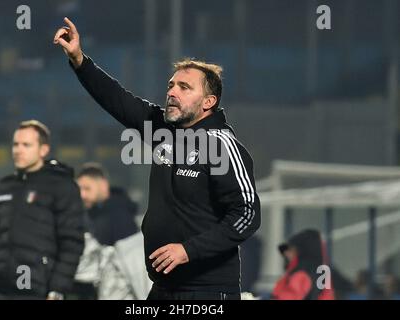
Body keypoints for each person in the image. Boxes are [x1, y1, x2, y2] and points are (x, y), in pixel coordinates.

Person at [54, 17, 261, 300]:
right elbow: (117, 99)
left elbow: (247, 214)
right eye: (171, 85)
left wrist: (189, 250)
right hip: (162, 289)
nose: (172, 92)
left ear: (208, 102)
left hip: (207, 292)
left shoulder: (223, 146)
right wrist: (79, 59)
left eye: (184, 87)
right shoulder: (164, 131)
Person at [0, 120, 85, 300]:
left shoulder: (61, 186)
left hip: (37, 289)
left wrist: (57, 289)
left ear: (43, 150)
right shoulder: (4, 186)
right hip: (0, 288)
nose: (18, 150)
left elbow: (72, 243)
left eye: (26, 145)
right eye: (15, 144)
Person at [76, 162, 138, 246]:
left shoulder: (120, 214)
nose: (82, 195)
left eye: (87, 188)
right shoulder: (86, 214)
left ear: (103, 185)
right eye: (79, 189)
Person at [272, 229, 335, 300]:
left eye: (291, 249)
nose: (287, 254)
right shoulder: (322, 271)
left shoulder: (301, 273)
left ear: (300, 251)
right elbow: (327, 296)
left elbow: (290, 296)